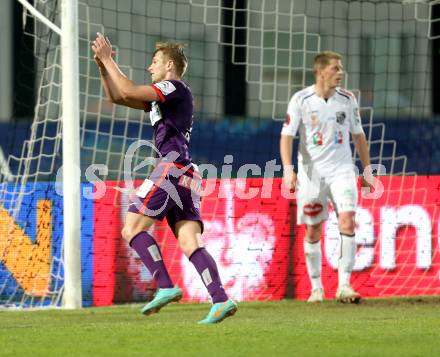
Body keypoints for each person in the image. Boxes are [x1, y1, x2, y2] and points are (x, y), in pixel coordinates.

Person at [92, 33, 237, 323]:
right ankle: (220, 299)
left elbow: (130, 90)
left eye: (154, 62)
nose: (150, 67)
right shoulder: (164, 98)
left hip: (171, 169)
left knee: (131, 229)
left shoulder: (174, 86)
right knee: (189, 240)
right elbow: (119, 96)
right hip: (185, 171)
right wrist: (102, 67)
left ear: (169, 65)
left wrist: (109, 59)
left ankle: (166, 286)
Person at [280, 50, 373, 303]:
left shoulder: (347, 99)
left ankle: (344, 285)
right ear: (320, 72)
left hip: (342, 170)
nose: (340, 73)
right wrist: (289, 170)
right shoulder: (301, 99)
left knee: (348, 221)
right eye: (335, 68)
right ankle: (316, 288)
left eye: (340, 68)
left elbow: (359, 136)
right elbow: (287, 137)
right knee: (312, 230)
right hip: (312, 173)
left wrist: (367, 170)